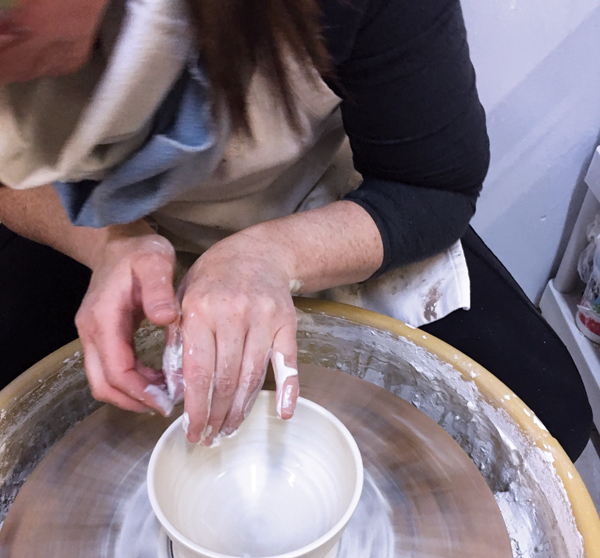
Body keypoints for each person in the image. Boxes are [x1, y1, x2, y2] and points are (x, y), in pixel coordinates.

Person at [0, 0, 592, 460]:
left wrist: (271, 255)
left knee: (546, 414)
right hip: (94, 222)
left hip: (308, 205)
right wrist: (111, 242)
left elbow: (435, 187)